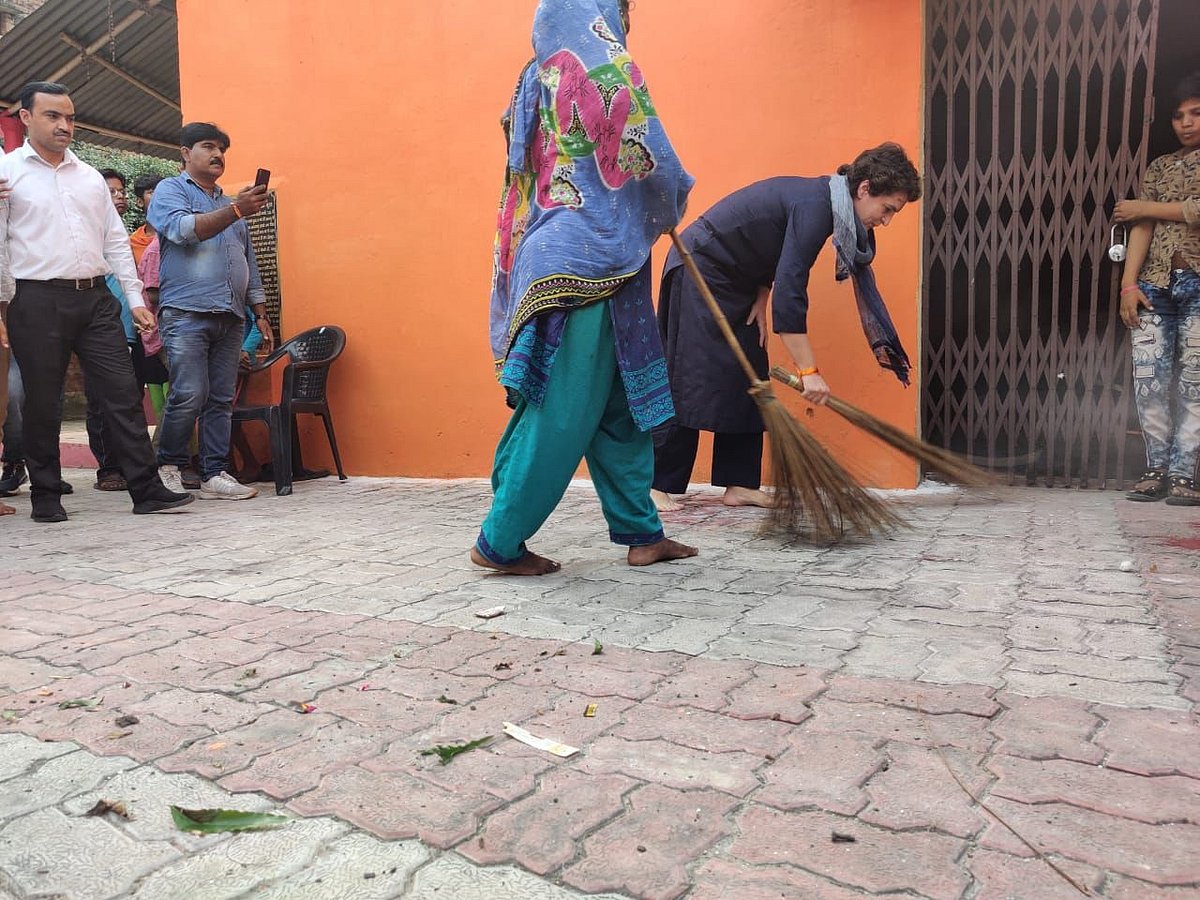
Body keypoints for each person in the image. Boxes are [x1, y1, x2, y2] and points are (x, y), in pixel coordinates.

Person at [471, 0, 698, 575]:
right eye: (622, 11)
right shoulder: (598, 66)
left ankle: (642, 533)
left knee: (621, 407)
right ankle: (499, 541)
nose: (624, 24)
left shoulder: (537, 74)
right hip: (584, 257)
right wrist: (669, 195)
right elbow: (642, 147)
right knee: (563, 409)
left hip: (593, 254)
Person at [650, 143, 922, 511]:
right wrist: (808, 371)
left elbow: (771, 248)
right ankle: (656, 484)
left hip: (741, 280)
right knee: (692, 376)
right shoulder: (816, 206)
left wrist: (761, 290)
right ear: (864, 189)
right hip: (700, 268)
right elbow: (791, 293)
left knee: (750, 376)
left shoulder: (826, 204)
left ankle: (740, 483)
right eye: (887, 209)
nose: (886, 221)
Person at [0, 81, 194, 521]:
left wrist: (134, 297)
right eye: (53, 116)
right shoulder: (7, 173)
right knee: (42, 401)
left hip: (97, 298)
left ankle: (145, 491)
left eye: (69, 117)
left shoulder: (88, 176)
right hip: (35, 299)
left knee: (123, 394)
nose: (64, 125)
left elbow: (114, 241)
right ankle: (46, 497)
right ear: (26, 117)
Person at [148, 122, 273, 501]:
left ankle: (214, 472)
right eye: (208, 146)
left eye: (222, 149)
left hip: (231, 315)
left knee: (221, 397)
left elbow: (245, 260)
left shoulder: (228, 204)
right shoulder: (171, 191)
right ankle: (167, 467)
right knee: (188, 392)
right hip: (186, 311)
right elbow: (184, 230)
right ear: (186, 154)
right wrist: (237, 209)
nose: (218, 155)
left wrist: (261, 311)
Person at [1114, 72, 1200, 505]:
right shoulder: (1161, 167)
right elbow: (1141, 226)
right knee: (1148, 379)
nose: (1186, 123)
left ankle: (1185, 474)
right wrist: (1129, 285)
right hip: (1155, 286)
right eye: (1178, 116)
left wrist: (1143, 206)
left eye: (1196, 113)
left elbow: (1149, 211)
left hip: (1199, 287)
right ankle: (1156, 468)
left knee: (1195, 382)